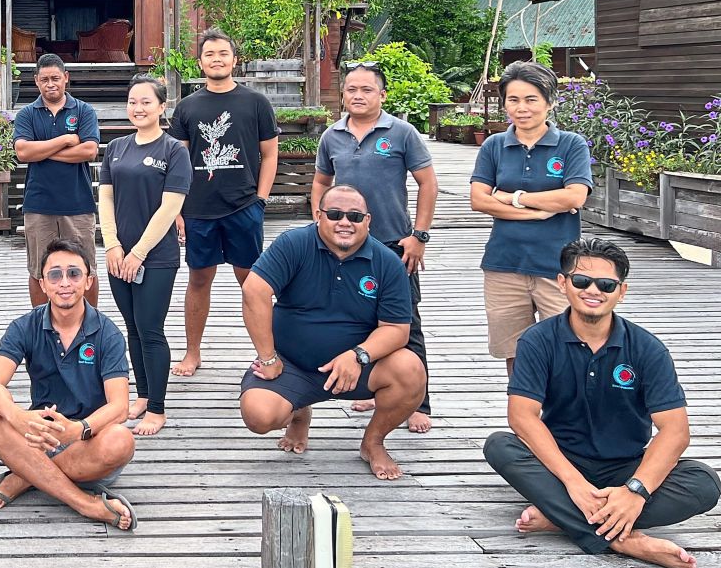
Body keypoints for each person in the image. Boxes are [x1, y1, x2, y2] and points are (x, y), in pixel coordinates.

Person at [484, 238, 721, 568]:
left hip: (625, 466)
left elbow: (676, 432)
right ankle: (623, 541)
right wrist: (574, 483)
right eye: (581, 281)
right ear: (563, 283)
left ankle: (563, 517)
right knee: (500, 445)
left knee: (704, 482)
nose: (592, 290)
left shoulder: (647, 348)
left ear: (621, 292)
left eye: (606, 284)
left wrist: (635, 491)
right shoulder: (537, 340)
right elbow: (523, 416)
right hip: (562, 463)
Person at [239, 185, 425, 481]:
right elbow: (254, 290)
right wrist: (268, 357)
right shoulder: (293, 244)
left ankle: (373, 442)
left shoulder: (387, 262)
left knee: (411, 370)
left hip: (357, 368)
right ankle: (300, 411)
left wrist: (358, 356)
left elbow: (397, 330)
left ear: (368, 220)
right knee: (259, 416)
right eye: (335, 214)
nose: (344, 222)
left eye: (354, 215)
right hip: (293, 365)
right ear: (318, 215)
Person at [0, 237, 137, 531]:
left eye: (74, 274)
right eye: (55, 274)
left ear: (88, 281)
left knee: (121, 441)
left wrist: (79, 429)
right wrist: (18, 417)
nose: (65, 283)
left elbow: (119, 406)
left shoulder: (107, 333)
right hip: (37, 434)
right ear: (42, 283)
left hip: (86, 442)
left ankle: (23, 477)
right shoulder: (24, 326)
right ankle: (86, 503)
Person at [313, 61, 439, 433]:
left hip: (394, 243)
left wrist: (420, 235)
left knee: (406, 321)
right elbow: (320, 182)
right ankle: (370, 387)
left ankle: (419, 401)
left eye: (366, 90)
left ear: (382, 95)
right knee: (357, 317)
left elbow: (427, 184)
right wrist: (321, 220)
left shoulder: (401, 133)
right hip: (347, 245)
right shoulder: (331, 136)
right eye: (351, 89)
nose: (358, 95)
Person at [168, 27, 278, 377]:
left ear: (234, 59)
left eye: (223, 54)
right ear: (200, 62)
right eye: (210, 54)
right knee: (199, 279)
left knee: (253, 281)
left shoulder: (255, 103)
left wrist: (260, 199)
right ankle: (192, 352)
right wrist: (178, 211)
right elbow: (178, 163)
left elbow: (270, 154)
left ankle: (268, 351)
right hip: (199, 209)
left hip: (243, 206)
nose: (217, 59)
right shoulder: (187, 107)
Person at [470, 61, 592, 375]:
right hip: (504, 263)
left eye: (531, 99)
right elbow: (478, 199)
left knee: (567, 348)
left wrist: (513, 197)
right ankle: (524, 420)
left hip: (558, 266)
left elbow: (575, 196)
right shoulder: (495, 145)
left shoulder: (571, 145)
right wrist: (538, 212)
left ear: (549, 102)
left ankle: (563, 421)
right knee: (515, 351)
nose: (521, 108)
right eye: (513, 100)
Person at [98, 74, 192, 436]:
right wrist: (112, 245)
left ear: (161, 106)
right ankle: (142, 393)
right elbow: (106, 199)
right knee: (132, 330)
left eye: (146, 102)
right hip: (118, 256)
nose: (138, 108)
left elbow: (170, 208)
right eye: (133, 102)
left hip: (156, 257)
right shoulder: (117, 147)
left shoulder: (173, 151)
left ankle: (157, 408)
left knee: (151, 330)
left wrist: (138, 252)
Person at [13, 54, 100, 307]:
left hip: (78, 204)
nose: (51, 84)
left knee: (85, 269)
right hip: (39, 205)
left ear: (66, 78)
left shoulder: (83, 110)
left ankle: (90, 323)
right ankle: (42, 326)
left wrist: (43, 152)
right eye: (44, 79)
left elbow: (89, 151)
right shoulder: (27, 114)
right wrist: (65, 140)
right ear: (36, 82)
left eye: (55, 78)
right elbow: (23, 152)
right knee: (39, 268)